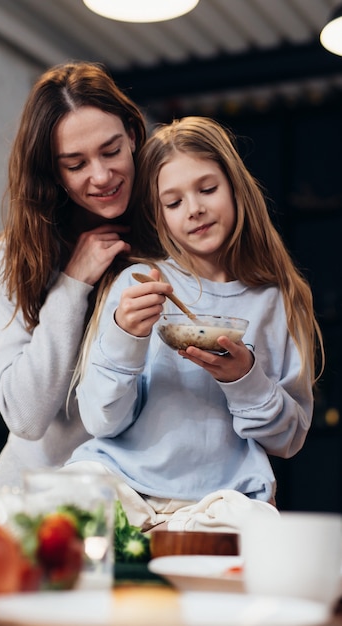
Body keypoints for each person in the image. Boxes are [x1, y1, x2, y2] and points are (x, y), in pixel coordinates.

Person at [66, 116, 324, 531]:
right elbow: (100, 421)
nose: (195, 209)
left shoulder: (279, 299)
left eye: (207, 189)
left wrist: (244, 378)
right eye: (174, 202)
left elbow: (288, 439)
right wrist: (126, 336)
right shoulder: (140, 284)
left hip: (223, 499)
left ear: (235, 187)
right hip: (118, 482)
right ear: (159, 214)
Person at [0, 61, 162, 499]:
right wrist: (72, 284)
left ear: (133, 136)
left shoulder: (171, 234)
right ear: (53, 173)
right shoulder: (18, 252)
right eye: (75, 164)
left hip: (138, 498)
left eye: (111, 151)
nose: (101, 176)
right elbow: (25, 416)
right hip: (30, 494)